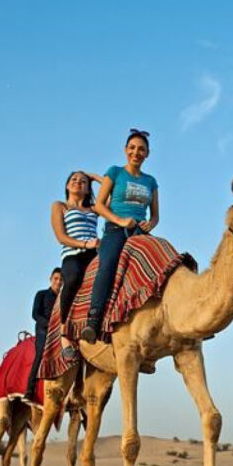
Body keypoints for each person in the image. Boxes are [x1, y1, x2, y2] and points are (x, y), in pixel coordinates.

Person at [81, 129, 159, 343]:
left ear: (147, 154)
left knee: (166, 261)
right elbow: (98, 205)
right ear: (126, 150)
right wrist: (120, 220)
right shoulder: (115, 172)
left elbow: (155, 216)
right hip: (116, 230)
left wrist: (149, 224)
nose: (136, 152)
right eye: (132, 148)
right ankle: (93, 320)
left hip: (140, 232)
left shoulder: (151, 181)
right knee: (107, 265)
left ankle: (182, 318)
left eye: (141, 149)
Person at [50, 170, 102, 362]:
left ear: (89, 188)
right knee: (72, 278)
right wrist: (85, 244)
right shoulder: (60, 206)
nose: (78, 182)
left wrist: (93, 176)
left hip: (95, 253)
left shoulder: (95, 208)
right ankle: (64, 334)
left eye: (82, 181)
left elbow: (112, 190)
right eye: (73, 179)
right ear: (66, 185)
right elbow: (60, 237)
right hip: (73, 254)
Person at [24, 268, 62, 400]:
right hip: (43, 330)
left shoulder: (63, 298)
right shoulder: (41, 294)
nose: (58, 282)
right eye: (56, 279)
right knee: (40, 354)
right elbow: (35, 314)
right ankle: (29, 390)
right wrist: (50, 324)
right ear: (50, 279)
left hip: (59, 331)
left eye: (61, 280)